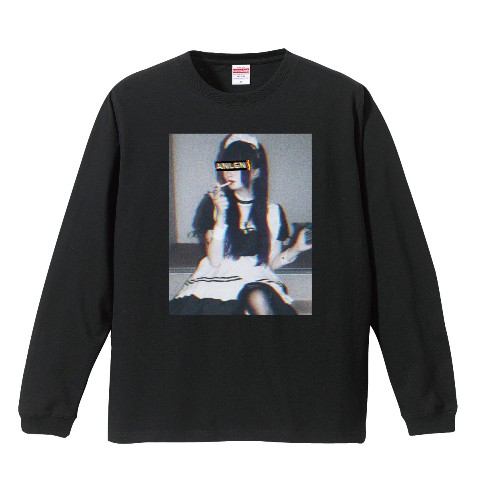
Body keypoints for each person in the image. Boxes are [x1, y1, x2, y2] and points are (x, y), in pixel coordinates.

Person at [169, 134, 312, 315]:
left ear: (255, 172)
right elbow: (215, 260)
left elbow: (269, 263)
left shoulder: (273, 212)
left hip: (255, 276)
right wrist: (221, 218)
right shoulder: (213, 204)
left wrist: (296, 249)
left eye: (238, 166)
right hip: (218, 276)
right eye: (226, 165)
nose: (229, 172)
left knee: (257, 296)